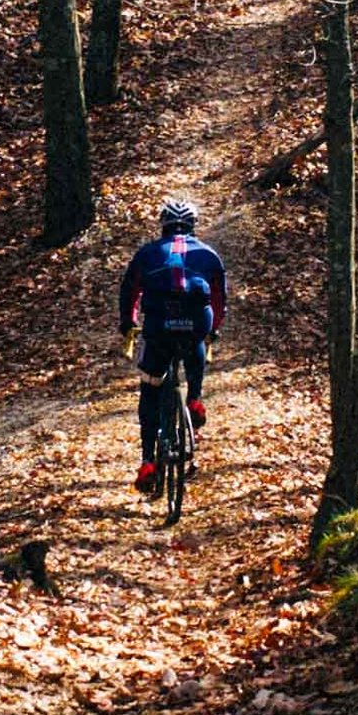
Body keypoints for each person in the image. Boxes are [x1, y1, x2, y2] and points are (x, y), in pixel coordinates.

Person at [118, 199, 228, 494]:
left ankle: (147, 462)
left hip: (157, 328)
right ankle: (194, 398)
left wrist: (128, 323)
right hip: (195, 325)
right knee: (196, 340)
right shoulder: (209, 254)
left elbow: (129, 292)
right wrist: (213, 330)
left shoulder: (147, 253)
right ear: (193, 226)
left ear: (162, 225)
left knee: (150, 387)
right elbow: (218, 299)